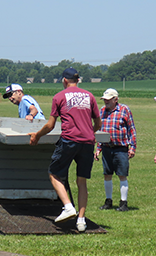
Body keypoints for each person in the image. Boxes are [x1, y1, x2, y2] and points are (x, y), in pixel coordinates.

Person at [29, 67, 101, 232]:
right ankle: (81, 221)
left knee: (54, 174)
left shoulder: (59, 97)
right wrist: (88, 132)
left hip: (69, 140)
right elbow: (98, 124)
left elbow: (50, 125)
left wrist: (37, 136)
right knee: (82, 181)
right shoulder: (89, 96)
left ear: (64, 80)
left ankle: (68, 207)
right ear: (78, 80)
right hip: (88, 142)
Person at [95, 88, 137, 211]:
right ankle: (108, 201)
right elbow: (99, 130)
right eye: (104, 100)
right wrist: (98, 148)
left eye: (108, 100)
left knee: (122, 175)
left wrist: (132, 147)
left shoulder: (125, 110)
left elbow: (131, 129)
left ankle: (123, 203)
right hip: (107, 147)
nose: (106, 102)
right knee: (107, 175)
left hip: (121, 148)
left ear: (115, 99)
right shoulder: (102, 111)